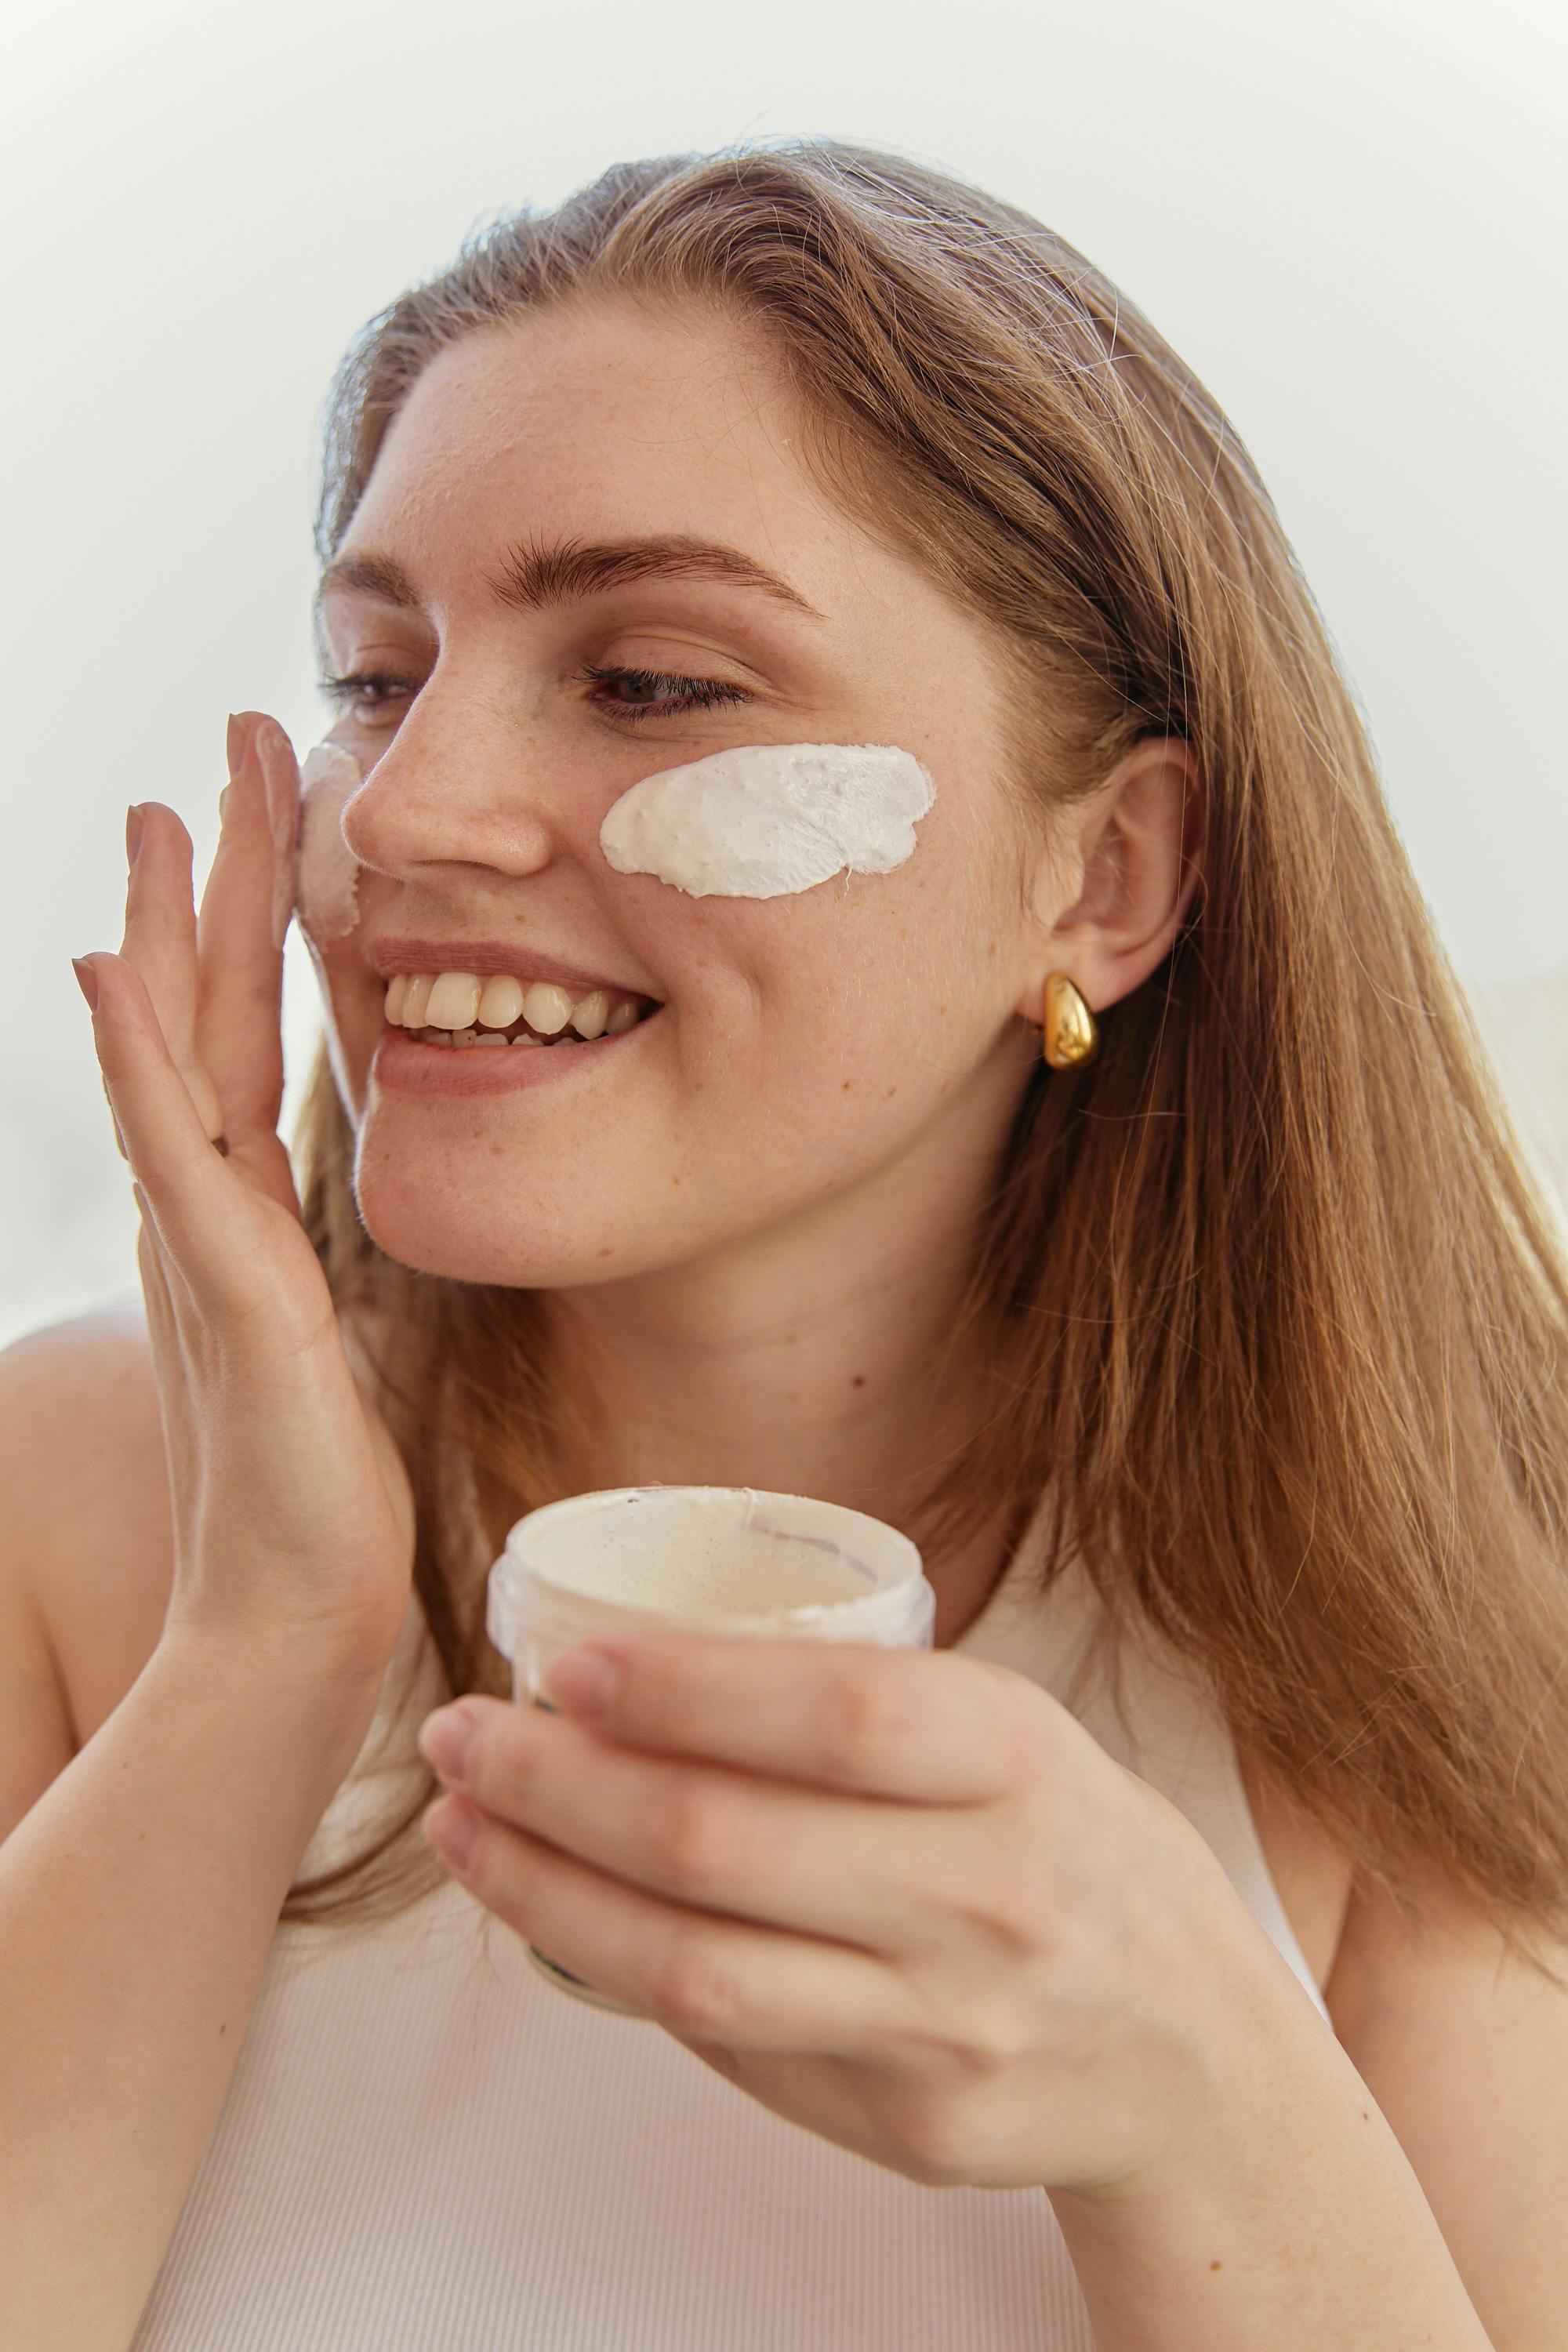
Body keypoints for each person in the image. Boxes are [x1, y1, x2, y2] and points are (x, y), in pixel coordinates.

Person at [5, 137, 1566, 2351]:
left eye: (650, 679)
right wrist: (267, 1636)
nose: (410, 813)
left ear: (1108, 877)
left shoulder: (1436, 1629)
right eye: (377, 674)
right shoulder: (65, 1507)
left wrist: (1204, 2096)